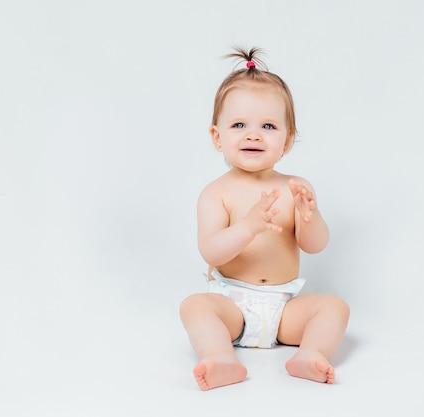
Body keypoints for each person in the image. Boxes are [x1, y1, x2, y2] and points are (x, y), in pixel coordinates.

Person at [179, 47, 350, 391]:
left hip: (285, 309)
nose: (253, 134)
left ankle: (310, 354)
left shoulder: (295, 188)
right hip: (233, 307)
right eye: (239, 124)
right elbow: (212, 252)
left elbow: (315, 246)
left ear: (286, 140)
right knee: (195, 306)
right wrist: (249, 226)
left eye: (268, 126)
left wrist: (309, 216)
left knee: (334, 307)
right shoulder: (216, 193)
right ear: (217, 137)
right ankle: (221, 357)